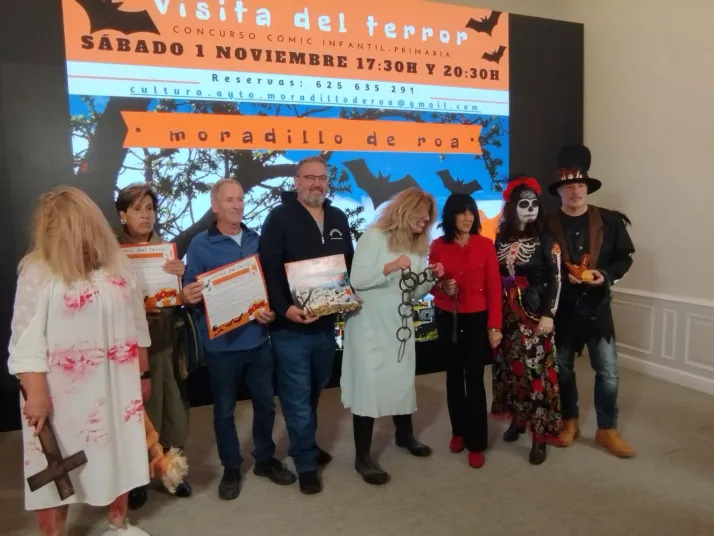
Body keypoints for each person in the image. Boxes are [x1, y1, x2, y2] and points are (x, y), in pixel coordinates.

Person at [8, 187, 153, 536]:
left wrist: (143, 372)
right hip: (60, 395)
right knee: (53, 469)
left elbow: (137, 324)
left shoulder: (117, 264)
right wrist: (35, 395)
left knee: (120, 454)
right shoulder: (38, 270)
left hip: (116, 386)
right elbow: (25, 339)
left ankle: (118, 524)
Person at [181, 178, 296, 501]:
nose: (237, 205)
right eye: (230, 200)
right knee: (224, 411)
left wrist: (270, 310)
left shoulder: (257, 240)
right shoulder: (200, 245)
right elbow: (189, 291)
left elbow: (268, 285)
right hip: (221, 347)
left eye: (241, 199)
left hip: (257, 340)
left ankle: (264, 459)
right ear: (215, 206)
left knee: (265, 405)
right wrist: (188, 295)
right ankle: (231, 468)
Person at [259, 155, 354, 494]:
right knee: (297, 397)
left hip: (325, 327)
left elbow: (347, 264)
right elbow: (268, 268)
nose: (316, 183)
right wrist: (284, 309)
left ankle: (306, 443)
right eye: (309, 177)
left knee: (314, 390)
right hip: (291, 329)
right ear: (296, 182)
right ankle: (305, 464)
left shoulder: (338, 217)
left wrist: (350, 295)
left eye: (321, 178)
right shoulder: (279, 217)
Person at [341, 187, 445, 485]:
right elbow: (358, 280)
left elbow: (414, 292)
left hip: (398, 324)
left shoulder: (417, 245)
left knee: (400, 380)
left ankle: (404, 435)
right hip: (369, 325)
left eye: (428, 219)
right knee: (369, 386)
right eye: (420, 216)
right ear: (404, 210)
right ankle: (362, 456)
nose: (424, 223)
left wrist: (430, 277)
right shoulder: (374, 236)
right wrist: (389, 267)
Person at [547, 144, 636, 457]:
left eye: (580, 185)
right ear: (559, 190)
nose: (575, 191)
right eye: (569, 186)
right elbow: (539, 265)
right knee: (562, 370)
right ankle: (569, 421)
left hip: (597, 310)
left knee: (608, 371)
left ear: (587, 188)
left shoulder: (609, 221)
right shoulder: (547, 225)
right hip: (563, 311)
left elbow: (624, 258)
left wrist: (605, 275)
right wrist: (560, 276)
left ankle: (606, 428)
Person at [114, 183, 192, 509]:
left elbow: (177, 300)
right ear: (123, 215)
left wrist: (181, 284)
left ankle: (172, 472)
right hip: (129, 353)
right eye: (137, 209)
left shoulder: (165, 251)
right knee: (138, 418)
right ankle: (137, 479)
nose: (145, 215)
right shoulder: (110, 253)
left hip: (167, 346)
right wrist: (135, 313)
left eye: (150, 208)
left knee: (174, 412)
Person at [491, 175, 563, 465]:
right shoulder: (501, 239)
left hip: (533, 314)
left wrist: (549, 314)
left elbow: (557, 279)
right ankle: (518, 420)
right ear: (511, 207)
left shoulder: (547, 240)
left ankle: (539, 435)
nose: (530, 209)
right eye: (524, 204)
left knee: (536, 374)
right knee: (511, 370)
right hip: (506, 316)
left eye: (534, 204)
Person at [428, 193, 502, 469]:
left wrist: (495, 326)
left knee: (474, 377)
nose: (469, 217)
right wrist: (442, 287)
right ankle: (458, 431)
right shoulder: (438, 246)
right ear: (451, 216)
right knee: (453, 376)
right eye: (462, 212)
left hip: (476, 318)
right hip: (447, 316)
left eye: (472, 212)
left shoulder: (485, 245)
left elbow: (494, 287)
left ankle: (477, 442)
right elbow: (430, 284)